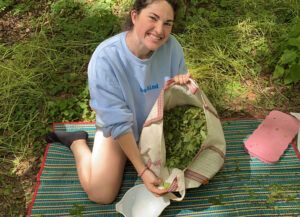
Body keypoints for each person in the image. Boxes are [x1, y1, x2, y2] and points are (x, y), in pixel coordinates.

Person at [45, 0, 190, 204]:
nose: (160, 30)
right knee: (101, 195)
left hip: (157, 126)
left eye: (167, 23)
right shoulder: (106, 58)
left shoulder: (172, 47)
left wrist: (183, 81)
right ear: (134, 16)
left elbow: (179, 90)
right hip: (121, 130)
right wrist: (142, 170)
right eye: (153, 18)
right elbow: (118, 122)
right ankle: (77, 143)